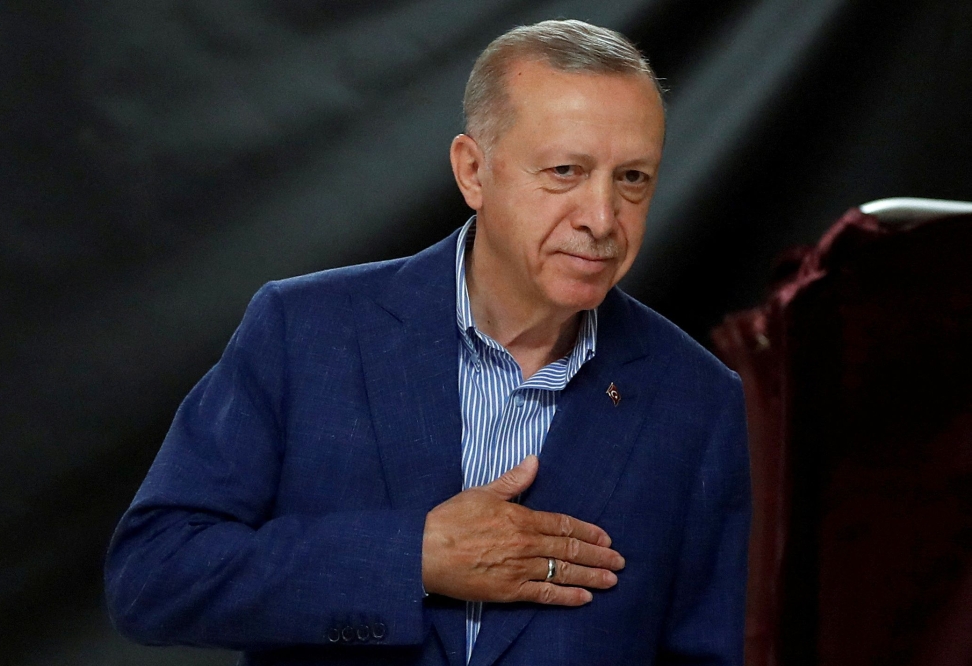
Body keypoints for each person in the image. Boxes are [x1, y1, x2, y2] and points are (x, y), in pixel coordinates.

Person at [106, 19, 751, 666]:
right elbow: (154, 576)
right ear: (473, 171)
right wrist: (410, 558)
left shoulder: (701, 400)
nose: (603, 218)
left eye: (633, 178)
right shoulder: (304, 332)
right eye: (564, 171)